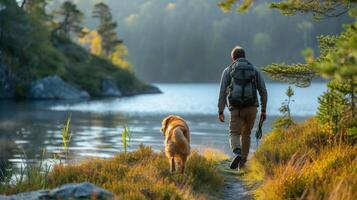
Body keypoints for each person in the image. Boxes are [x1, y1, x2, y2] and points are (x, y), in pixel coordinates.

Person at [217, 46, 267, 170]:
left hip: (236, 109)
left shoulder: (228, 70)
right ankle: (243, 163)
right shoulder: (254, 70)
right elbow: (263, 91)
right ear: (244, 56)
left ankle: (237, 152)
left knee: (234, 133)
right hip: (251, 108)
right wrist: (263, 110)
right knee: (246, 134)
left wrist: (221, 110)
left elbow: (222, 91)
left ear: (233, 58)